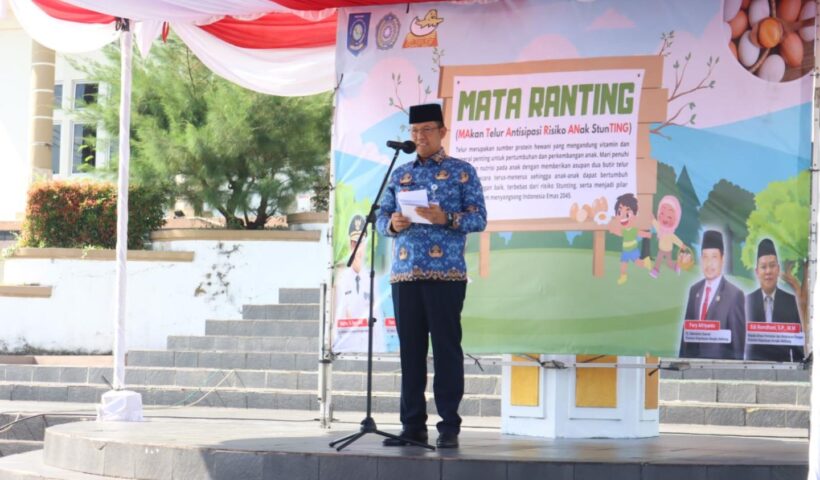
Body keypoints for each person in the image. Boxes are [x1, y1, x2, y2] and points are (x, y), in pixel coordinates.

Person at [376, 103, 486, 448]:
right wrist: (392, 224)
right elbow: (380, 218)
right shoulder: (400, 174)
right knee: (410, 353)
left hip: (446, 276)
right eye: (414, 130)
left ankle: (449, 426)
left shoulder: (462, 172)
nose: (419, 136)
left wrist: (447, 218)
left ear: (442, 132)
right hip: (405, 276)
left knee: (446, 351)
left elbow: (479, 218)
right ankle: (412, 427)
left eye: (426, 129)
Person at [678, 230, 746, 360]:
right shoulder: (694, 291)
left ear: (722, 259)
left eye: (714, 257)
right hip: (691, 368)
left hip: (718, 369)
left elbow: (737, 349)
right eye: (705, 257)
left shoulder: (734, 295)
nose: (709, 264)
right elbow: (685, 336)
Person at [744, 239, 804, 362]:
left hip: (782, 367)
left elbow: (798, 346)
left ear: (778, 269)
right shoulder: (746, 302)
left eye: (772, 266)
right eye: (763, 267)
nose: (768, 271)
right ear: (757, 272)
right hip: (752, 366)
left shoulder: (790, 302)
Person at [333, 214, 385, 353]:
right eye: (353, 243)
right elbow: (337, 316)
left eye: (360, 243)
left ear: (365, 244)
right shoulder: (341, 279)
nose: (357, 249)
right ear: (349, 244)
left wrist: (379, 349)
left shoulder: (372, 278)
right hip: (347, 346)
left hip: (368, 345)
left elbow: (378, 320)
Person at [608, 193, 651, 285]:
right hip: (625, 251)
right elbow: (620, 233)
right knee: (623, 264)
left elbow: (639, 233)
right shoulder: (624, 230)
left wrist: (647, 234)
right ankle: (623, 276)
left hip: (633, 250)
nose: (623, 217)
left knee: (638, 263)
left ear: (635, 215)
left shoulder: (633, 229)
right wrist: (613, 231)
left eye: (627, 214)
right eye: (619, 213)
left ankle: (646, 262)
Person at [650, 195, 687, 278]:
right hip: (661, 249)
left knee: (669, 263)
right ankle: (655, 271)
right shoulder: (660, 229)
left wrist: (681, 245)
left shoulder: (670, 234)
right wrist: (652, 218)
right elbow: (655, 223)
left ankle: (676, 267)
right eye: (662, 214)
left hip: (668, 250)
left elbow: (676, 240)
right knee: (658, 259)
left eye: (669, 217)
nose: (665, 219)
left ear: (676, 219)